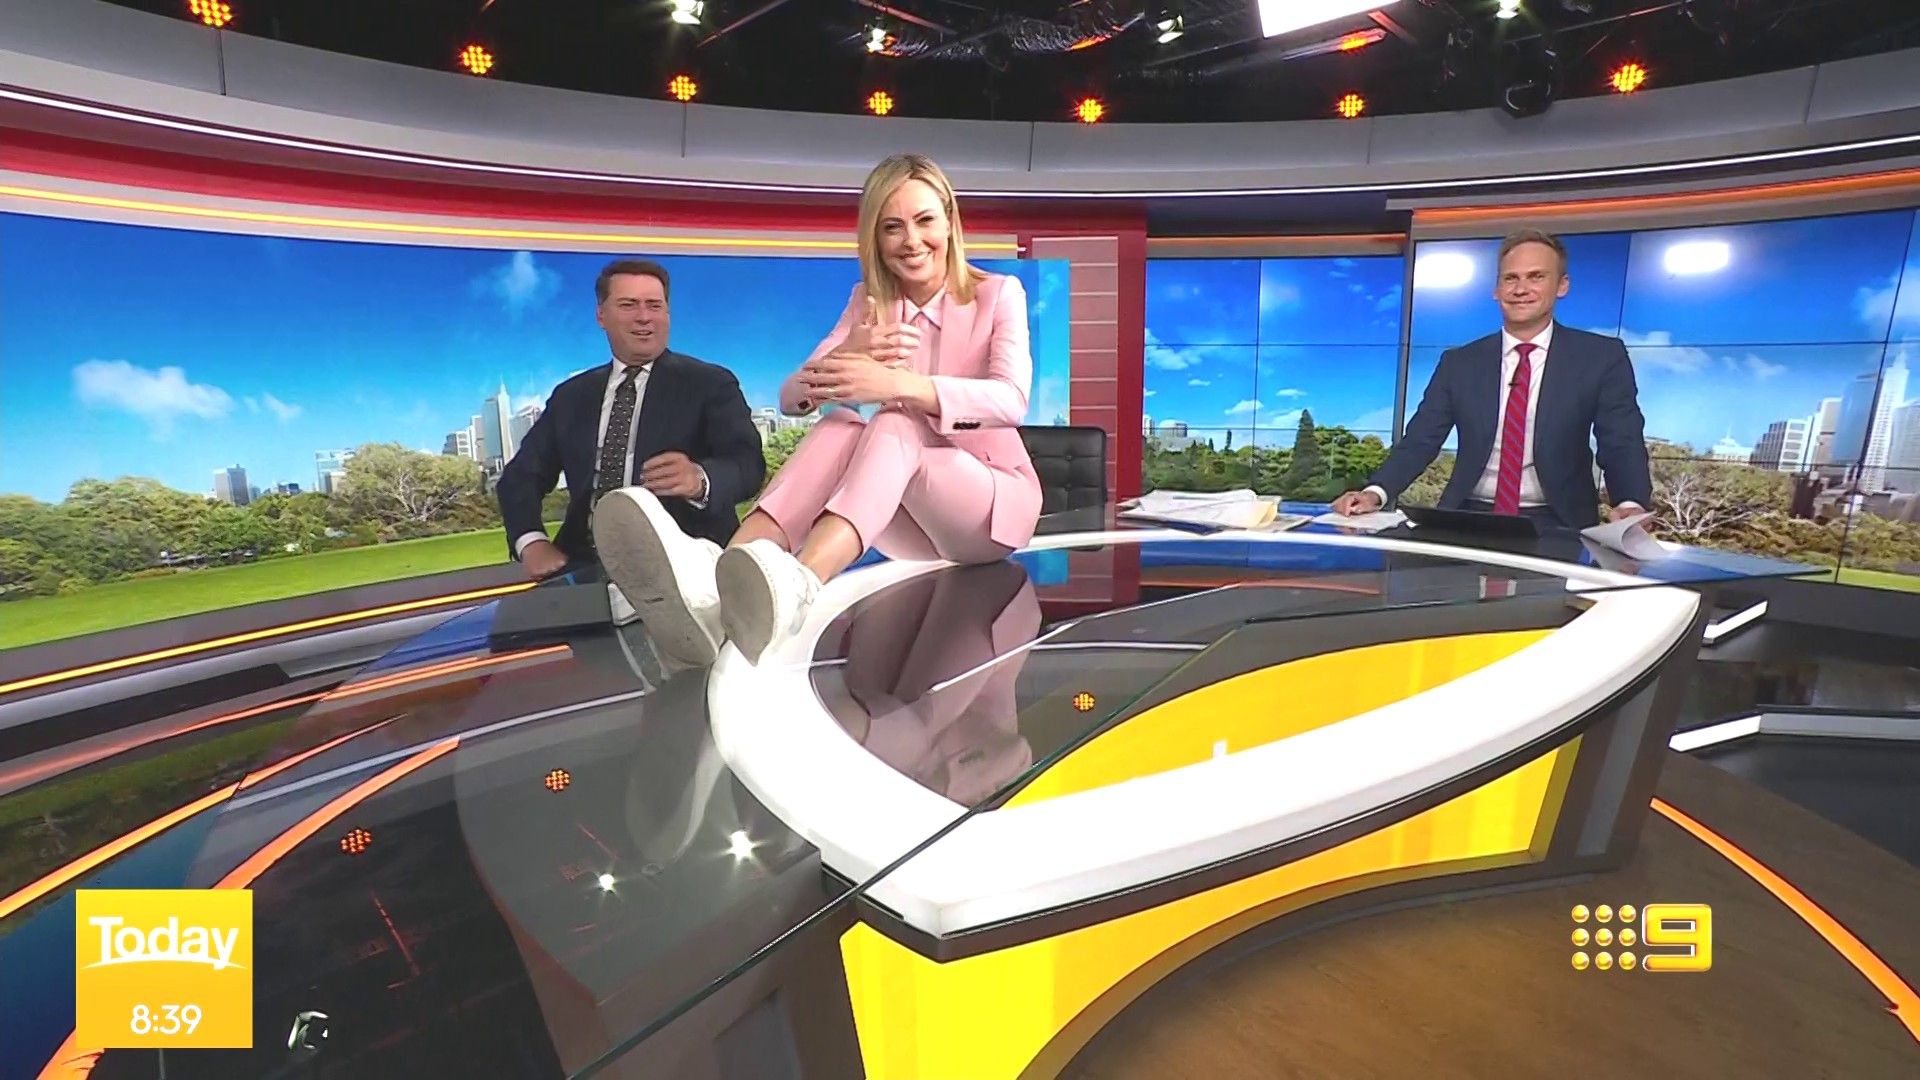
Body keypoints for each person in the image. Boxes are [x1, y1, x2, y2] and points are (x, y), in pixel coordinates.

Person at [592, 153, 1043, 665]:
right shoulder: (867, 302)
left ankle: (799, 583)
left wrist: (900, 384)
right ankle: (717, 583)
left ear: (949, 222)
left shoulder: (997, 294)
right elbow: (792, 399)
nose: (911, 240)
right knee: (841, 425)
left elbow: (1011, 400)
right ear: (874, 238)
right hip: (909, 521)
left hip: (990, 506)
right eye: (892, 227)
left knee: (894, 420)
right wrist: (849, 351)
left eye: (924, 221)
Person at [1332, 229, 1653, 532]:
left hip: (1557, 519)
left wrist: (1630, 503)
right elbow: (1421, 440)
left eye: (1536, 277)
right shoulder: (1459, 363)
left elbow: (1620, 439)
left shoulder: (1600, 357)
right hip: (1468, 513)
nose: (1521, 289)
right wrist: (1375, 492)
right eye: (1510, 278)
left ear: (1562, 285)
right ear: (1496, 290)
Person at [496, 258, 765, 584]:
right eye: (628, 305)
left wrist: (700, 479)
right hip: (584, 566)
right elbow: (520, 477)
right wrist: (531, 541)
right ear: (601, 316)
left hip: (686, 567)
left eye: (654, 305)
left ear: (667, 314)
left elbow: (748, 464)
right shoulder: (571, 396)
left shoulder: (710, 383)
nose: (644, 317)